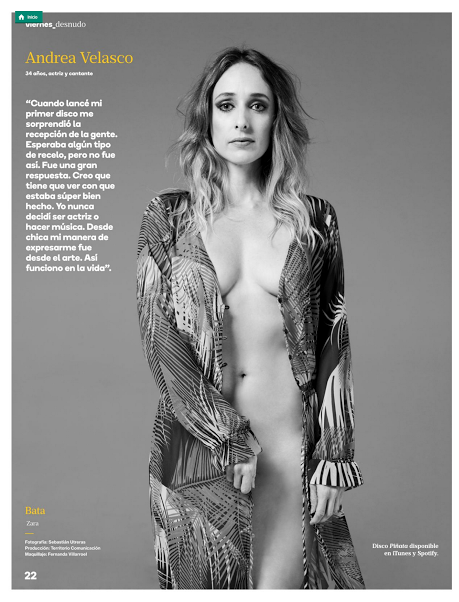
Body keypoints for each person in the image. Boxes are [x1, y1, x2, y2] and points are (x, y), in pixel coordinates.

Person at [136, 47, 364, 590]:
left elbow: (333, 338)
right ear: (207, 119)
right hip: (198, 451)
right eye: (227, 104)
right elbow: (161, 344)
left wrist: (334, 455)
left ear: (276, 119)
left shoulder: (314, 220)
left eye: (257, 105)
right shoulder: (168, 217)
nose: (242, 120)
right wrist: (228, 437)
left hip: (288, 448)